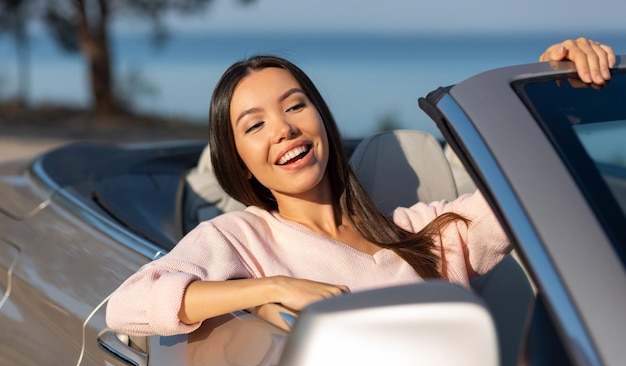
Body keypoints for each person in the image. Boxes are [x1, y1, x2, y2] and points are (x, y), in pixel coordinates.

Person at [106, 38, 615, 336]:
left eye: (295, 105)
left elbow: (528, 189)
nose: (283, 128)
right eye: (254, 124)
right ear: (236, 157)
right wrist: (267, 289)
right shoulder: (239, 237)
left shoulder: (426, 233)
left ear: (321, 119)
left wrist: (557, 84)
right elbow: (126, 306)